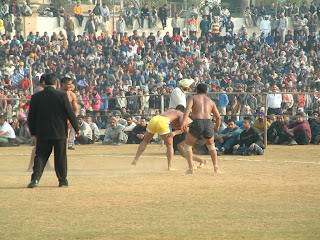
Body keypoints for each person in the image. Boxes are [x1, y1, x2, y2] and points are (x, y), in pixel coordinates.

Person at [27, 73, 80, 188]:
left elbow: (31, 117)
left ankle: (35, 179)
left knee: (40, 156)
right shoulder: (62, 96)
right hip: (59, 132)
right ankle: (62, 181)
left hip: (42, 132)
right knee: (60, 157)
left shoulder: (36, 97)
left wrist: (33, 132)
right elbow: (70, 113)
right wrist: (76, 128)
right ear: (56, 83)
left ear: (44, 83)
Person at [181, 84, 221, 174]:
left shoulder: (193, 98)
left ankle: (191, 168)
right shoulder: (211, 101)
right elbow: (218, 117)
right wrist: (217, 127)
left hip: (197, 122)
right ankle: (216, 167)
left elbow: (187, 109)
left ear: (197, 91)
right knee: (211, 147)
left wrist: (184, 121)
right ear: (206, 92)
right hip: (208, 123)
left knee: (187, 146)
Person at [132, 105, 187, 170]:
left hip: (154, 119)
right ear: (183, 111)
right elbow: (182, 126)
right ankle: (170, 166)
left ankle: (136, 159)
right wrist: (175, 132)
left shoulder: (170, 110)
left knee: (145, 141)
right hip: (163, 122)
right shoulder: (181, 114)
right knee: (169, 145)